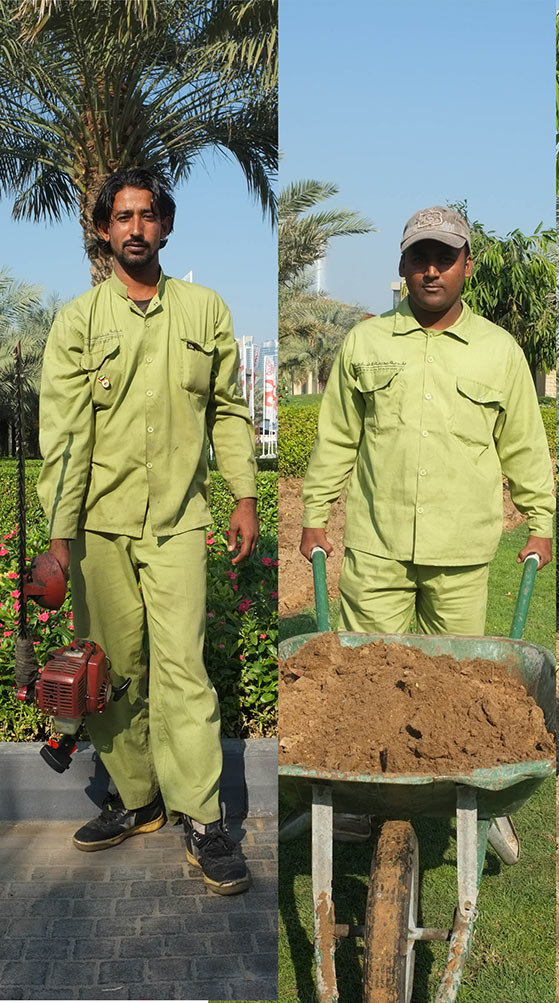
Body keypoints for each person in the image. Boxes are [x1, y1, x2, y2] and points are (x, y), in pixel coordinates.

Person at [37, 166, 259, 894]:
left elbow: (229, 410)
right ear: (104, 230)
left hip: (175, 524)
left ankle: (202, 819)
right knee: (107, 669)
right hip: (99, 527)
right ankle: (137, 799)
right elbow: (63, 435)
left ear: (165, 226)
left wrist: (244, 494)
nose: (135, 227)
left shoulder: (204, 310)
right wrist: (60, 538)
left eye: (147, 214)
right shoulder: (79, 322)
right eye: (122, 217)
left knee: (184, 670)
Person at [299, 206, 554, 635]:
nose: (432, 271)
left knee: (453, 685)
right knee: (364, 681)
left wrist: (540, 524)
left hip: (461, 553)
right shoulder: (365, 343)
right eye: (419, 259)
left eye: (445, 259)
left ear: (467, 266)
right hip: (377, 549)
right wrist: (314, 516)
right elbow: (337, 439)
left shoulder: (500, 350)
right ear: (402, 266)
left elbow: (523, 446)